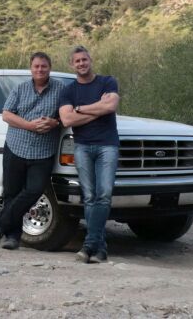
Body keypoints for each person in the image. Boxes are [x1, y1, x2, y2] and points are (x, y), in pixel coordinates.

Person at [0, 52, 64, 250]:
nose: (40, 69)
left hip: (43, 150)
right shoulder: (20, 89)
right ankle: (12, 237)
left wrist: (55, 121)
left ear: (50, 67)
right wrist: (30, 126)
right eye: (36, 66)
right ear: (31, 68)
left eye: (44, 66)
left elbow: (67, 114)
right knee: (11, 193)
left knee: (35, 190)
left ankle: (0, 221)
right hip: (16, 146)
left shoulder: (61, 89)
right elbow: (6, 115)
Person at [59, 45, 119, 263]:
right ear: (72, 65)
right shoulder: (68, 91)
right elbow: (67, 120)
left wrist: (81, 109)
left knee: (104, 194)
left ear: (90, 60)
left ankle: (89, 245)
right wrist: (98, 108)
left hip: (107, 146)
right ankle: (99, 249)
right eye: (77, 61)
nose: (81, 63)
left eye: (84, 59)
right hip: (82, 146)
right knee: (90, 196)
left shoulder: (107, 81)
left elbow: (111, 106)